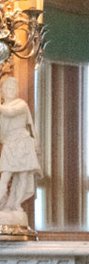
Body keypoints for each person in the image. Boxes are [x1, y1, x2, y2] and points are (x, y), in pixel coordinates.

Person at [0, 76, 41, 215]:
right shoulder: (3, 108)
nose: (10, 90)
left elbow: (10, 112)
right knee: (5, 175)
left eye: (13, 88)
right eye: (7, 88)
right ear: (2, 91)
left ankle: (16, 204)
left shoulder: (21, 104)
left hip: (23, 143)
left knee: (23, 175)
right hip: (10, 144)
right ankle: (2, 203)